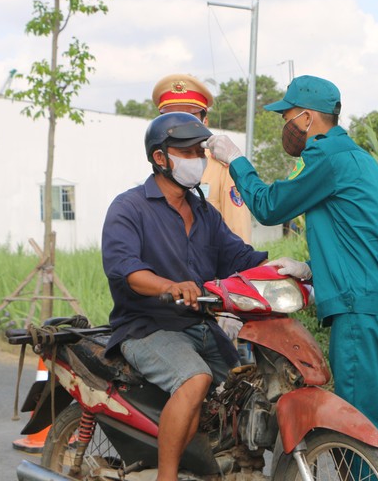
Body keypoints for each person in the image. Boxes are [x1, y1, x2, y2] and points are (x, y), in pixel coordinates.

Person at [206, 75, 378, 451]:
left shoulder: (325, 157)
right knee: (375, 427)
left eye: (288, 116)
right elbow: (364, 238)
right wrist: (311, 268)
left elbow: (268, 206)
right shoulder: (360, 161)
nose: (286, 125)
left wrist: (236, 161)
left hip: (358, 313)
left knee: (356, 433)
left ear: (309, 119)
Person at [101, 112, 268, 481]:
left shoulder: (204, 212)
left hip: (202, 327)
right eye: (187, 151)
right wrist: (168, 285)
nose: (198, 159)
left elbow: (239, 259)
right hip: (146, 327)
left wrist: (284, 267)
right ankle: (168, 476)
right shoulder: (129, 208)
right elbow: (124, 269)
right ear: (160, 158)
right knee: (194, 379)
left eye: (200, 151)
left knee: (250, 391)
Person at [152, 73, 253, 243]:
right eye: (171, 117)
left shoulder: (223, 168)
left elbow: (239, 234)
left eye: (188, 118)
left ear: (204, 121)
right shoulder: (159, 162)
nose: (178, 126)